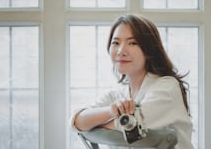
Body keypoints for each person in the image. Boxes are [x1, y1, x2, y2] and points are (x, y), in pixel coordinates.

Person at [70, 14, 194, 149]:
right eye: (115, 42)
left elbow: (132, 124)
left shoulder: (166, 88)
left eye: (132, 43)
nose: (121, 51)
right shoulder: (117, 95)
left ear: (149, 50)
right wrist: (110, 112)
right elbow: (77, 121)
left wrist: (94, 124)